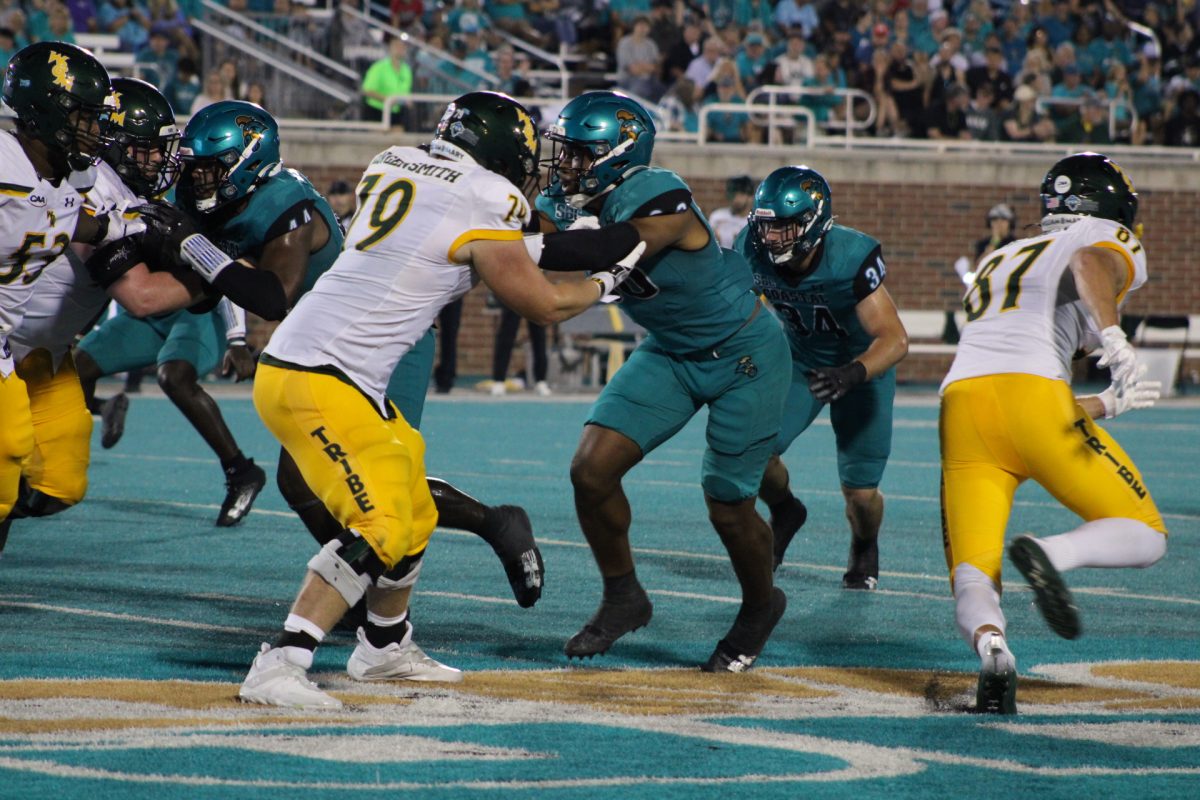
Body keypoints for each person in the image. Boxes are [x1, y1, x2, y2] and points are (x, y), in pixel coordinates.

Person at [211, 91, 645, 708]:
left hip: (332, 369)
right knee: (382, 524)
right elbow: (543, 304)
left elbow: (481, 238)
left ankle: (384, 647)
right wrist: (609, 278)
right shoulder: (485, 195)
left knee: (413, 509)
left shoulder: (394, 161)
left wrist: (591, 240)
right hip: (318, 374)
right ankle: (280, 661)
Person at [138, 100, 551, 608]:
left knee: (372, 475)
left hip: (384, 341)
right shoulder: (225, 196)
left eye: (210, 169)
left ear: (246, 163)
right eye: (195, 168)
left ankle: (472, 538)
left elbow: (270, 296)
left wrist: (194, 247)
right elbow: (205, 278)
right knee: (306, 480)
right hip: (324, 350)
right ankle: (366, 589)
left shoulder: (288, 204)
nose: (199, 180)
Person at [537, 91, 792, 672]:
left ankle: (760, 605)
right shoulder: (572, 195)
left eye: (579, 154)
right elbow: (534, 225)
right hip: (671, 350)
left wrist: (518, 243)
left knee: (728, 503)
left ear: (620, 152)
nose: (567, 166)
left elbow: (611, 245)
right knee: (591, 470)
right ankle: (624, 595)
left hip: (744, 354)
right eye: (566, 153)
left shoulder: (656, 190)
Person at [940, 152, 1167, 715]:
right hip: (1034, 399)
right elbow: (1090, 262)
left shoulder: (1004, 254)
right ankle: (1048, 551)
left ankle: (994, 650)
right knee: (1146, 534)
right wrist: (1114, 337)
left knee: (972, 569)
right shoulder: (1104, 237)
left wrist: (1104, 405)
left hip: (962, 406)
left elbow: (1007, 370)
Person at [0, 45, 201, 551]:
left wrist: (130, 225)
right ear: (46, 112)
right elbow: (140, 296)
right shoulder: (7, 160)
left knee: (59, 482)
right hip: (10, 341)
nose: (93, 132)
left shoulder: (72, 178)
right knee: (8, 450)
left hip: (37, 347)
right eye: (85, 118)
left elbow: (74, 218)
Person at [736, 166, 908, 590]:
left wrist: (853, 372)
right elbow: (739, 307)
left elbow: (895, 339)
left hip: (860, 367)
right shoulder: (751, 248)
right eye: (766, 226)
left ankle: (864, 543)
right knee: (752, 449)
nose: (771, 238)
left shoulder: (849, 256)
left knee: (861, 494)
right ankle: (786, 508)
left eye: (784, 227)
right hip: (800, 360)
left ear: (813, 222)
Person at [490, 303, 549, 396]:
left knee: (539, 335)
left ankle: (541, 380)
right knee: (507, 333)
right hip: (515, 293)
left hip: (535, 295)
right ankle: (499, 380)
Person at [361, 36, 413, 127]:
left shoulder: (406, 70)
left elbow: (405, 91)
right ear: (390, 49)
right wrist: (387, 100)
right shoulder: (378, 67)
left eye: (402, 47)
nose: (400, 49)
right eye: (397, 46)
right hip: (376, 110)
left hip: (396, 111)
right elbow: (367, 90)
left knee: (398, 138)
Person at [708, 175, 753, 249]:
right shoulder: (717, 216)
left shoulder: (753, 222)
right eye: (733, 193)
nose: (736, 198)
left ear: (750, 196)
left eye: (741, 194)